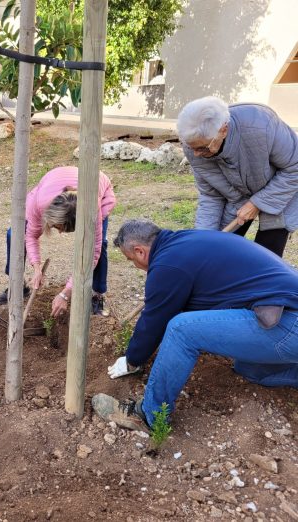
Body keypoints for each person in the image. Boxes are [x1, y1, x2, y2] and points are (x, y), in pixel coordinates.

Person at [92, 219, 298, 432]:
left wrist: (132, 359)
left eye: (130, 259)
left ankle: (147, 415)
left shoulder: (167, 265)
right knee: (247, 367)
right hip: (284, 312)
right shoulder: (187, 241)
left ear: (140, 251)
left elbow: (154, 320)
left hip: (290, 322)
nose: (135, 265)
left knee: (181, 330)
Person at [177, 96, 298, 258]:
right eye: (191, 148)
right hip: (237, 197)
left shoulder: (261, 125)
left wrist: (257, 203)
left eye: (203, 148)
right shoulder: (194, 147)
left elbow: (294, 168)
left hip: (281, 191)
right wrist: (203, 238)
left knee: (266, 257)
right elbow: (211, 195)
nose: (196, 154)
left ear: (223, 130)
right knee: (219, 250)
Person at [0, 166, 116, 317]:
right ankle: (17, 283)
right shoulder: (40, 204)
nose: (61, 232)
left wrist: (65, 293)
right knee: (15, 234)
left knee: (100, 245)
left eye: (64, 228)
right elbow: (30, 236)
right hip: (49, 187)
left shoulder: (92, 209)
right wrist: (37, 268)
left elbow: (92, 254)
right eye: (57, 226)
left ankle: (97, 294)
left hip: (98, 187)